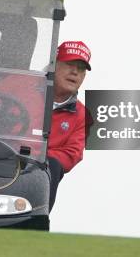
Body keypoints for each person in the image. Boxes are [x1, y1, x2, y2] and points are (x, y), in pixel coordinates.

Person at [47, 41, 93, 211]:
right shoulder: (22, 84)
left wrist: (35, 156)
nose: (75, 72)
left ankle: (37, 225)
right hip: (1, 158)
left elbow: (71, 154)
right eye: (69, 64)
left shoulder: (82, 115)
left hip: (36, 172)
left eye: (81, 69)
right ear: (54, 65)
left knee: (51, 165)